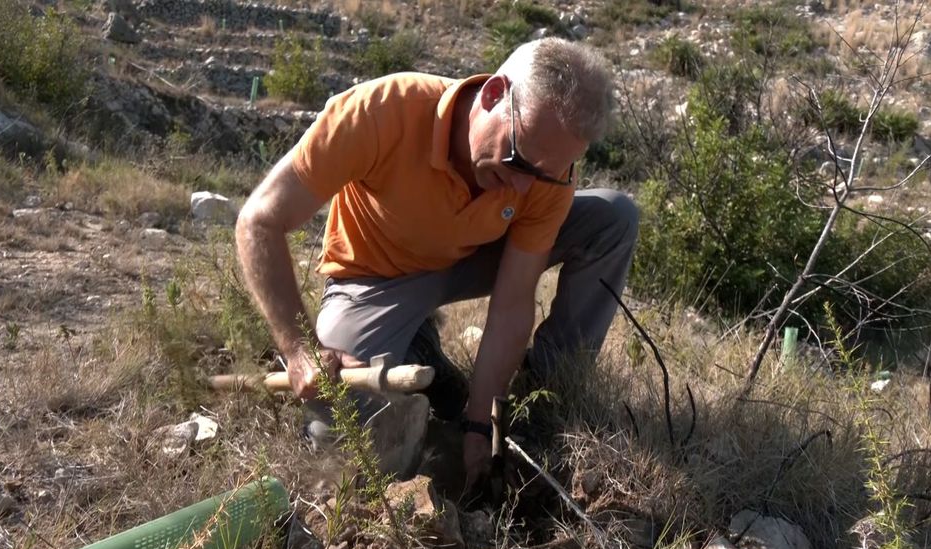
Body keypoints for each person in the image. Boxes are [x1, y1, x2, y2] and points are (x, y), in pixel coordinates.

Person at [235, 37, 638, 486]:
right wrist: (296, 348)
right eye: (519, 160)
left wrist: (481, 424)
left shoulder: (545, 168)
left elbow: (511, 303)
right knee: (339, 425)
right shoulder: (381, 111)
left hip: (476, 256)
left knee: (613, 218)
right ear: (492, 95)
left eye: (548, 174)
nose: (525, 189)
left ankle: (544, 399)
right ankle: (421, 355)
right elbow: (259, 222)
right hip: (378, 277)